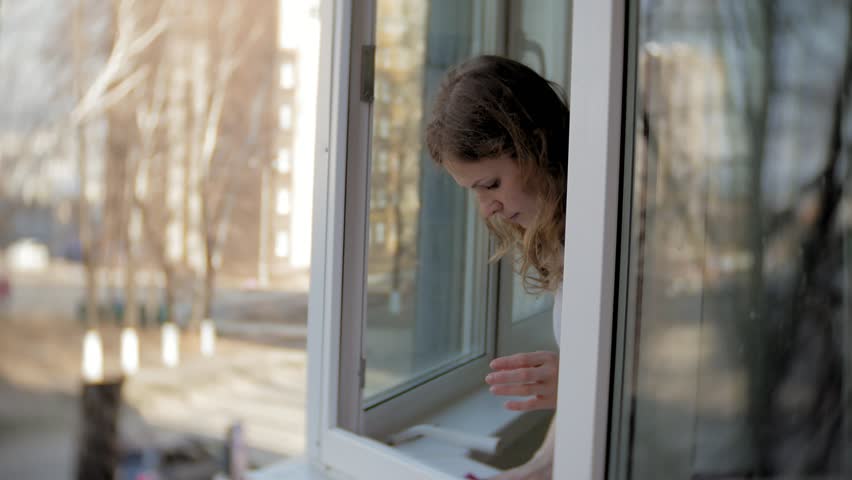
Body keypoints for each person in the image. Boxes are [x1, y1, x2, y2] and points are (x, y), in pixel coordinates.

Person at [426, 55, 569, 480]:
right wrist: (531, 472)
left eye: (491, 184)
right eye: (474, 191)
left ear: (537, 145)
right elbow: (577, 401)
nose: (487, 208)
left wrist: (590, 380)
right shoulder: (568, 239)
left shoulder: (620, 239)